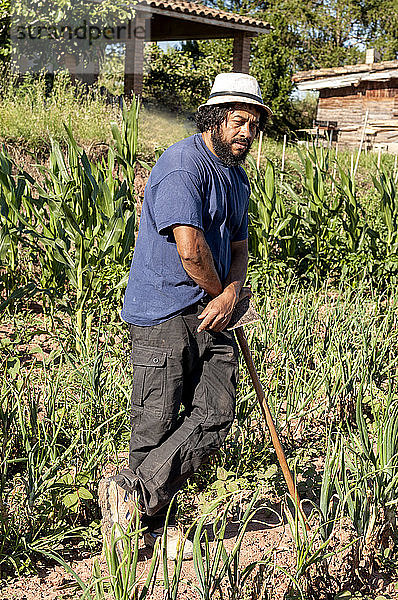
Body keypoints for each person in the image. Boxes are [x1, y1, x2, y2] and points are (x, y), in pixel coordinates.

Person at [99, 72, 271, 559]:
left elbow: (238, 246)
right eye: (239, 121)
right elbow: (191, 250)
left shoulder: (236, 178)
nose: (247, 133)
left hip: (212, 307)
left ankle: (132, 498)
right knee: (155, 420)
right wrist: (224, 298)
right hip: (164, 310)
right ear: (216, 117)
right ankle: (142, 532)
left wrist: (231, 294)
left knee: (216, 413)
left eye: (254, 125)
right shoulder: (182, 165)